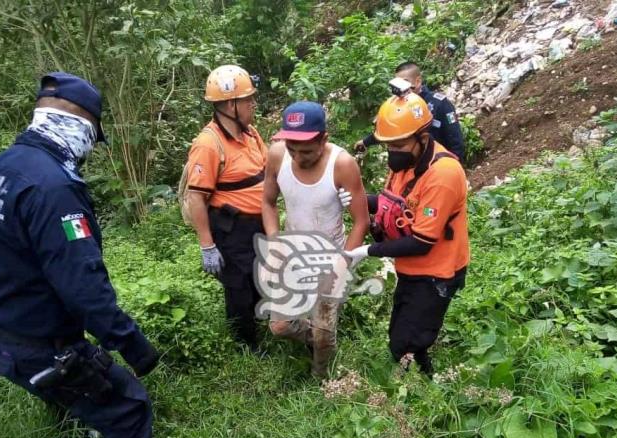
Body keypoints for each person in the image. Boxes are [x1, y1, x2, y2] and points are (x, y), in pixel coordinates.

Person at [0, 72, 184, 438]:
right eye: (92, 137)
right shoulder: (54, 188)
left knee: (72, 398)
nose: (90, 148)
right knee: (127, 408)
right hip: (41, 345)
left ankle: (74, 432)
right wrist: (134, 346)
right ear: (81, 125)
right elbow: (83, 285)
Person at [346, 92, 469, 374]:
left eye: (399, 145)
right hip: (411, 269)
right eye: (388, 146)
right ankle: (420, 377)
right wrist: (358, 199)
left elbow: (421, 242)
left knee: (406, 344)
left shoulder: (443, 174)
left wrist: (367, 251)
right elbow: (393, 203)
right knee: (403, 332)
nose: (393, 152)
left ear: (423, 138)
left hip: (436, 271)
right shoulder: (405, 165)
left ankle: (423, 393)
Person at [262, 101, 369, 378]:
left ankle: (321, 375)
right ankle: (319, 339)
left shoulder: (342, 164)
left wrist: (342, 266)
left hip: (331, 257)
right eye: (292, 148)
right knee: (281, 326)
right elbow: (268, 202)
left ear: (324, 139)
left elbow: (361, 222)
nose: (298, 157)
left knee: (323, 332)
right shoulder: (276, 156)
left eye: (307, 150)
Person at [182, 64, 268, 351]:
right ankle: (245, 347)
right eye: (247, 100)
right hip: (231, 229)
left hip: (259, 224)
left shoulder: (251, 133)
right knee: (239, 289)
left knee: (259, 280)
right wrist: (207, 246)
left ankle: (259, 331)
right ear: (230, 105)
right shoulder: (209, 143)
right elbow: (196, 197)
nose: (253, 104)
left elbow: (267, 170)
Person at [354, 62, 465, 163]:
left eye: (405, 82)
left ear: (417, 81)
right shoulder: (398, 105)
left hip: (438, 165)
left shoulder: (440, 104)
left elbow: (456, 142)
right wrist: (365, 142)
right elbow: (392, 131)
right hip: (411, 165)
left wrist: (453, 167)